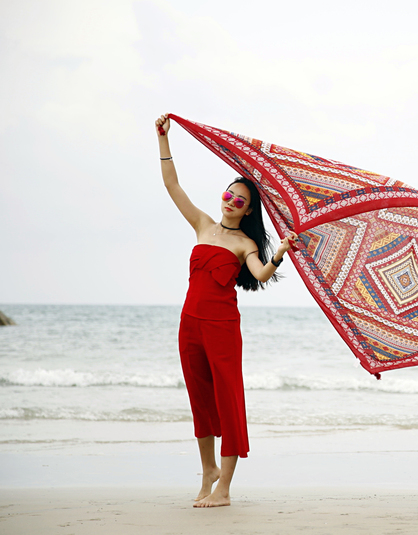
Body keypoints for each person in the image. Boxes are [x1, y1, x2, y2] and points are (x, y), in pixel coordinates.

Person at [155, 113, 296, 508]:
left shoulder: (242, 244)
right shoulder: (202, 225)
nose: (232, 201)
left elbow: (261, 273)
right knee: (199, 399)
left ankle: (225, 488)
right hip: (189, 326)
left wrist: (280, 254)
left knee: (228, 399)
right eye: (229, 195)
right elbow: (172, 184)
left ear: (249, 210)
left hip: (222, 328)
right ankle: (208, 472)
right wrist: (164, 139)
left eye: (241, 201)